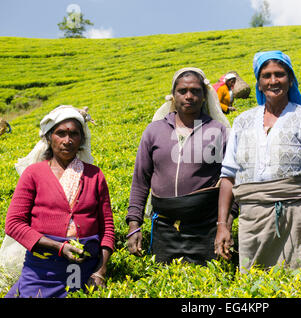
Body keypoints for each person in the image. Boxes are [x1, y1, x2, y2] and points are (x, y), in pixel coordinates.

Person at [215, 51, 301, 272]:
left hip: (295, 219)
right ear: (258, 83)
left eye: (280, 74)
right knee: (253, 288)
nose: (273, 81)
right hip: (251, 219)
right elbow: (228, 177)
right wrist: (223, 226)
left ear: (290, 80)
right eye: (266, 75)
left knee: (299, 286)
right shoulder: (242, 121)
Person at [126, 67, 235, 266]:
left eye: (195, 91)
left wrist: (225, 225)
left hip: (206, 229)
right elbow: (140, 181)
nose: (189, 96)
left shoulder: (218, 131)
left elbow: (233, 181)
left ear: (204, 96)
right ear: (173, 96)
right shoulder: (154, 131)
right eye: (182, 91)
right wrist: (134, 225)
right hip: (164, 229)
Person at [4, 105, 115, 298]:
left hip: (84, 268)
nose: (67, 140)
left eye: (74, 134)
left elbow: (107, 229)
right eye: (60, 133)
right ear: (49, 137)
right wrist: (58, 247)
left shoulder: (95, 175)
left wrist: (100, 271)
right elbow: (13, 224)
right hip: (43, 268)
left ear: (82, 139)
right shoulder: (33, 174)